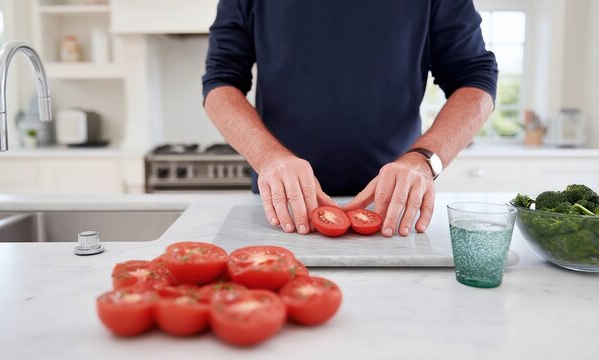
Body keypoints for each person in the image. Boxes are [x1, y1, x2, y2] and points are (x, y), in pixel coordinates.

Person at [202, 0, 498, 237]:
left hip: (394, 207)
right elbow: (220, 82)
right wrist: (267, 157)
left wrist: (423, 160)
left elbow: (475, 78)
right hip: (282, 206)